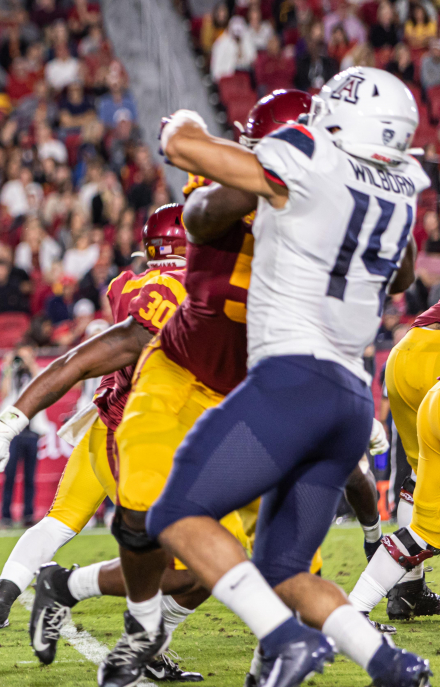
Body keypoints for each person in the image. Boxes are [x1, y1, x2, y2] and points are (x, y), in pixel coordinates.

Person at [147, 68, 430, 687]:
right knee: (285, 569)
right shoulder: (404, 184)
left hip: (293, 381)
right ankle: (392, 665)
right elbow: (404, 274)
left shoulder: (310, 155)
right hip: (351, 400)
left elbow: (185, 151)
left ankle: (284, 641)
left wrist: (182, 124)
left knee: (176, 513)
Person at [0, 204, 195, 680]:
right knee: (186, 558)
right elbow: (84, 356)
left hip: (106, 423)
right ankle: (123, 624)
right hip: (138, 436)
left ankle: (2, 596)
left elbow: (135, 276)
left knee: (61, 520)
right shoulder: (172, 292)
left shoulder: (124, 285)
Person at [348, 300, 440, 620]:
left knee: (421, 475)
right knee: (433, 522)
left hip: (405, 354)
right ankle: (360, 607)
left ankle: (408, 589)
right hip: (434, 361)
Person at [0, 343, 48, 528]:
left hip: (31, 429)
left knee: (29, 477)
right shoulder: (11, 373)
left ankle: (28, 514)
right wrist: (10, 367)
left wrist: (30, 364)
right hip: (13, 431)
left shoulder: (36, 372)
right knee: (9, 475)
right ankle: (5, 515)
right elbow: (3, 393)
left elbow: (43, 386)